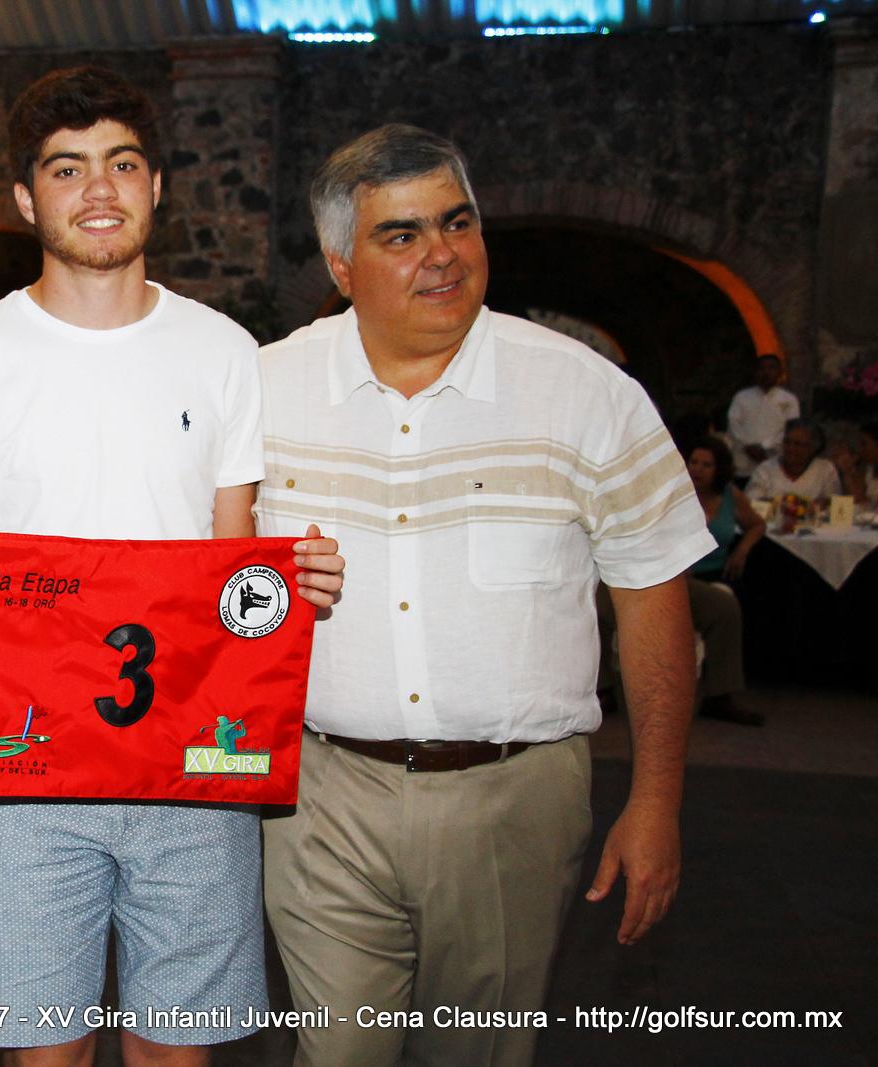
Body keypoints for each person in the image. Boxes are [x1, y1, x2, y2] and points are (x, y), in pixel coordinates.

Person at [0, 67, 343, 1067]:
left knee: (177, 1051)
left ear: (156, 184)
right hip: (25, 772)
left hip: (192, 761)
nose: (98, 188)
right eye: (67, 168)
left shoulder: (223, 351)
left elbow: (231, 557)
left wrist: (288, 590)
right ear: (24, 197)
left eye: (122, 163)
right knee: (43, 1052)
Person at [254, 124, 712, 1067]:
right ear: (341, 267)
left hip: (515, 801)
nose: (442, 255)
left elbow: (653, 596)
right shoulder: (262, 391)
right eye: (402, 235)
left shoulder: (586, 393)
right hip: (319, 795)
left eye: (456, 222)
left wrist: (657, 799)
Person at [677, 436, 766, 726]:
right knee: (723, 605)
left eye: (706, 465)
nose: (697, 469)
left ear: (719, 469)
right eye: (694, 462)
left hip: (717, 571)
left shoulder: (730, 495)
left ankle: (721, 693)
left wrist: (742, 549)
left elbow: (757, 524)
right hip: (681, 574)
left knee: (741, 597)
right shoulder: (676, 494)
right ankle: (718, 696)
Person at [726, 353, 799, 483]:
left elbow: (791, 429)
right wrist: (749, 446)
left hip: (774, 460)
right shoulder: (742, 397)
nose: (766, 372)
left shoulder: (789, 400)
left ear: (780, 372)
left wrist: (765, 447)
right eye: (762, 368)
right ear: (755, 372)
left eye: (771, 368)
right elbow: (733, 424)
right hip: (744, 462)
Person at [745, 417, 842, 503]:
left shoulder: (825, 469)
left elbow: (833, 503)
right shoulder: (765, 469)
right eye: (787, 442)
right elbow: (751, 502)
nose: (790, 448)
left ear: (812, 448)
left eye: (798, 444)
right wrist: (786, 503)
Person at [829, 419, 878, 505]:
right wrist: (847, 470)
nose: (861, 449)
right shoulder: (867, 469)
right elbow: (856, 499)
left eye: (864, 444)